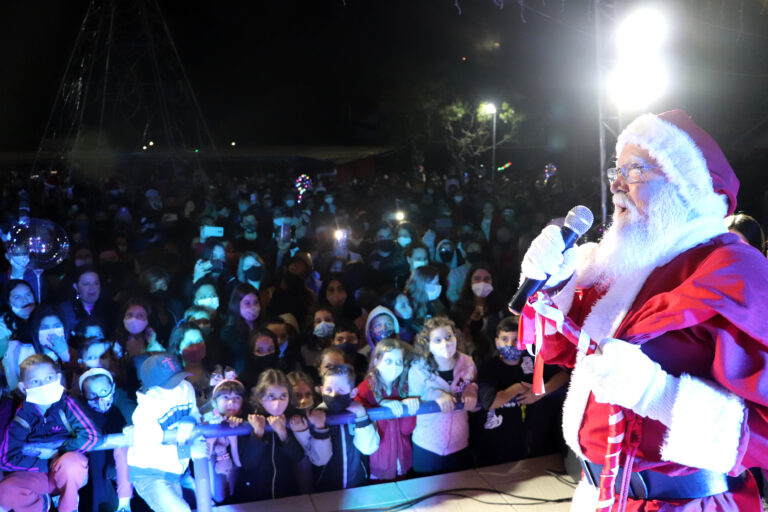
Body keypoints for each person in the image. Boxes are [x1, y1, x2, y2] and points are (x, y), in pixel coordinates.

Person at [517, 110, 768, 510]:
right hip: (599, 495)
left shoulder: (734, 270)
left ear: (684, 185)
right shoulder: (625, 262)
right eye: (616, 170)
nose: (616, 185)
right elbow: (567, 354)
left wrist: (657, 394)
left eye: (634, 171)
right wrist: (557, 284)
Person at [0, 354, 99, 512]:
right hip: (36, 475)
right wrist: (45, 462)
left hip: (65, 474)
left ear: (58, 378)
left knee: (72, 464)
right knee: (5, 492)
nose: (43, 385)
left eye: (49, 378)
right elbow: (6, 458)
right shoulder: (23, 414)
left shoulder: (68, 405)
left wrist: (57, 455)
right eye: (35, 381)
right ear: (23, 387)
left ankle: (68, 507)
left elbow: (92, 437)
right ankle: (44, 504)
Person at [473, 316, 569, 466]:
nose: (510, 344)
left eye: (516, 340)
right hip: (494, 441)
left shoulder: (531, 360)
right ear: (497, 342)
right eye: (505, 339)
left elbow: (563, 375)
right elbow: (489, 402)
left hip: (526, 438)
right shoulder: (489, 367)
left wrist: (539, 392)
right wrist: (518, 387)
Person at [126, 353, 203, 512]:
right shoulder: (145, 410)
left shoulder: (186, 388)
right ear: (152, 386)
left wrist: (191, 419)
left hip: (177, 471)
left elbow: (195, 413)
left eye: (179, 377)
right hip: (149, 473)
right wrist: (188, 451)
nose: (178, 385)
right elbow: (149, 450)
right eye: (170, 383)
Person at [407, 316, 477, 475]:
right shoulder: (418, 369)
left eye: (448, 337)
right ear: (428, 344)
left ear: (455, 336)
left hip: (460, 443)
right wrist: (434, 394)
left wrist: (471, 389)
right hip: (427, 445)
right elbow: (413, 402)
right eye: (437, 340)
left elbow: (474, 386)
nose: (445, 344)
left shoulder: (468, 362)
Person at [354, 338, 419, 481]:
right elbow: (356, 411)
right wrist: (381, 405)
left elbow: (406, 430)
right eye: (388, 361)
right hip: (377, 464)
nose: (394, 367)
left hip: (402, 461)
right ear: (377, 361)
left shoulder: (404, 387)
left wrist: (407, 407)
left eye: (398, 362)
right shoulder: (366, 388)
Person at [313, 363, 380, 491]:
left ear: (353, 392)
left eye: (341, 390)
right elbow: (318, 459)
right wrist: (319, 427)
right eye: (329, 390)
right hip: (325, 490)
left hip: (358, 485)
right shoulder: (317, 416)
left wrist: (361, 417)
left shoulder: (362, 413)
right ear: (322, 391)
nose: (334, 395)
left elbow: (369, 448)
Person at [78, 368, 136, 512]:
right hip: (97, 470)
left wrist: (134, 423)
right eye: (92, 395)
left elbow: (131, 410)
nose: (99, 399)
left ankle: (124, 504)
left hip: (122, 463)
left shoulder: (120, 397)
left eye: (104, 392)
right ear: (83, 395)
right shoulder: (80, 408)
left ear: (113, 387)